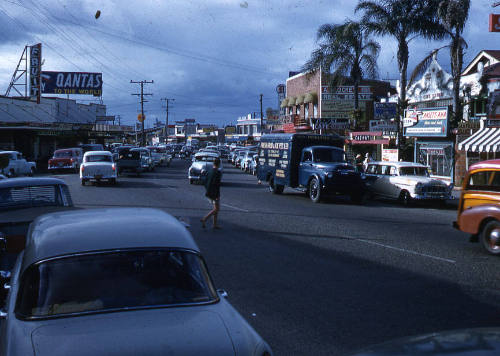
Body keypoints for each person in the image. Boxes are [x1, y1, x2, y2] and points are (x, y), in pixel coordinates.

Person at [201, 157, 222, 229]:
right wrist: (217, 195)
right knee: (217, 209)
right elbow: (217, 185)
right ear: (219, 164)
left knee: (215, 208)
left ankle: (214, 224)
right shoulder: (218, 173)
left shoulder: (209, 171)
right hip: (214, 193)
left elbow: (205, 182)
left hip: (208, 192)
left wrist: (207, 190)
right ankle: (205, 219)